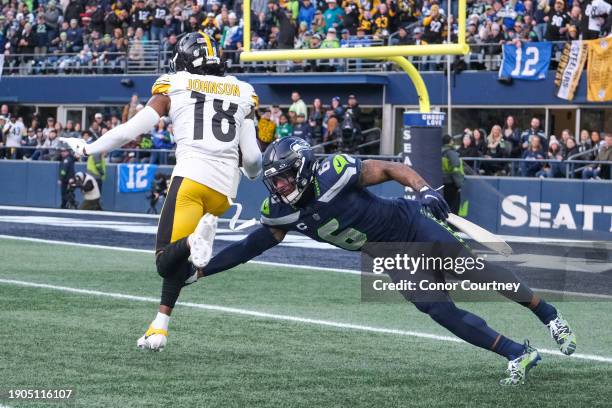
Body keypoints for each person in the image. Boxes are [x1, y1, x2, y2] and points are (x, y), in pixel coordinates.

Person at [182, 137, 576, 386]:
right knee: (439, 310)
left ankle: (549, 315)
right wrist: (204, 269)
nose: (279, 186)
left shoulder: (334, 172)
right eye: (275, 181)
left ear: (302, 169)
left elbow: (391, 168)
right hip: (391, 257)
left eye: (284, 178)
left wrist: (422, 189)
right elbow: (251, 246)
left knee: (481, 274)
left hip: (412, 226)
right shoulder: (281, 212)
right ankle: (516, 353)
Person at [61, 32, 262, 351]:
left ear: (184, 60)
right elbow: (252, 159)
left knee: (164, 261)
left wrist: (88, 149)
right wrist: (250, 175)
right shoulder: (243, 91)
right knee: (182, 264)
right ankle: (159, 327)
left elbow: (131, 130)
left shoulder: (174, 84)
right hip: (224, 192)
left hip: (191, 181)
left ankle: (196, 241)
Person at [441, 134, 464, 214]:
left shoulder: (438, 152)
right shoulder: (451, 153)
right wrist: (459, 184)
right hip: (452, 184)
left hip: (441, 183)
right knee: (453, 209)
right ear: (450, 141)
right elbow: (456, 169)